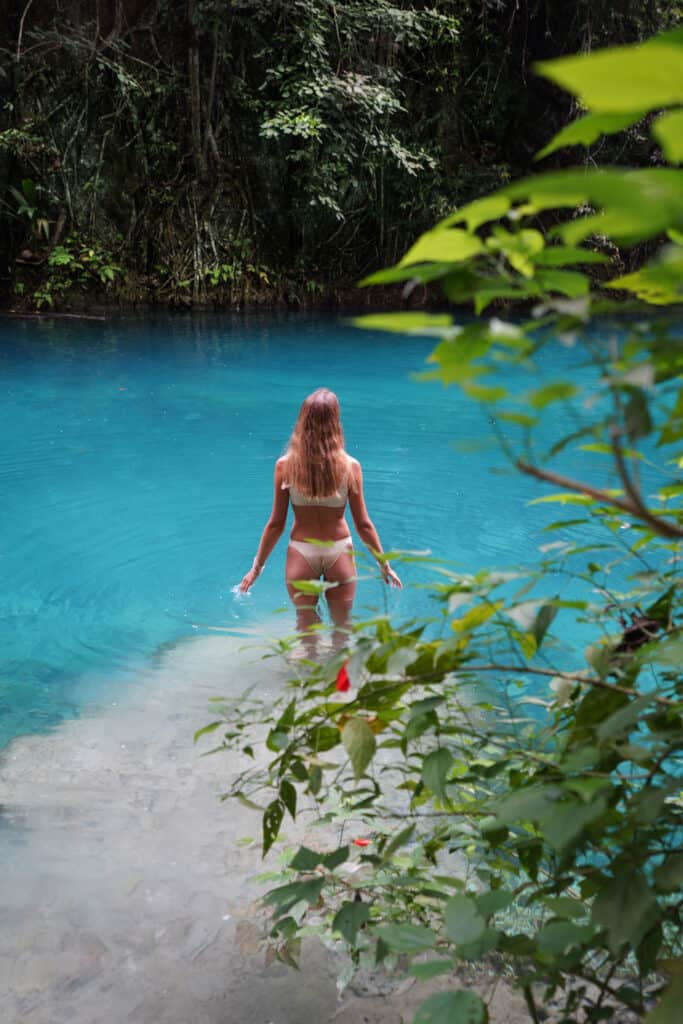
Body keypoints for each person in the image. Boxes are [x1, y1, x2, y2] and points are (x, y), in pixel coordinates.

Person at [239, 388, 401, 648]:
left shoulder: (285, 466)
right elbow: (363, 524)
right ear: (336, 423)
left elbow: (276, 524)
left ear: (303, 421)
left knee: (306, 630)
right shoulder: (351, 467)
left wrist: (256, 568)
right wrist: (384, 564)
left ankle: (308, 677)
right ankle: (340, 684)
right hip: (339, 550)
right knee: (342, 631)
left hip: (301, 553)